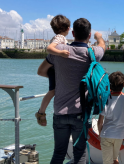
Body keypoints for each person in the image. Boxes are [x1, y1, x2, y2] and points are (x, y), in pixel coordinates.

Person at [37, 18, 106, 164]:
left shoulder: (59, 51)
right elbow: (102, 46)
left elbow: (41, 71)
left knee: (58, 153)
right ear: (89, 35)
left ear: (73, 33)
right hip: (81, 113)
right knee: (80, 154)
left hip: (60, 112)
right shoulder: (92, 52)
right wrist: (99, 37)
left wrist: (60, 76)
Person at [35, 15, 71, 126]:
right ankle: (41, 112)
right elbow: (49, 48)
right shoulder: (59, 37)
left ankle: (42, 112)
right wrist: (61, 53)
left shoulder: (60, 37)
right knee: (52, 92)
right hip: (53, 69)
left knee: (55, 91)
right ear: (68, 28)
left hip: (55, 69)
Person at [98, 71, 124, 164]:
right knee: (115, 159)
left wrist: (100, 135)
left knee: (107, 162)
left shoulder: (106, 100)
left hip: (107, 134)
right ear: (123, 84)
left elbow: (100, 122)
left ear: (110, 85)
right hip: (119, 135)